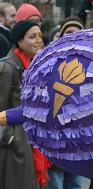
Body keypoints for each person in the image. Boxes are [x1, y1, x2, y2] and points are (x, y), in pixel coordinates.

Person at [0, 20, 44, 189]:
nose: (38, 40)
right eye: (32, 36)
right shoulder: (7, 68)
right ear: (19, 41)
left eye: (40, 35)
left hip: (32, 143)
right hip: (14, 150)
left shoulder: (36, 65)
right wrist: (11, 138)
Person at [46, 16, 85, 189]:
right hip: (54, 134)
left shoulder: (90, 61)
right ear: (61, 35)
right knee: (55, 183)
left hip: (79, 136)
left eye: (78, 33)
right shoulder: (48, 60)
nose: (73, 36)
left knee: (75, 184)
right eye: (69, 32)